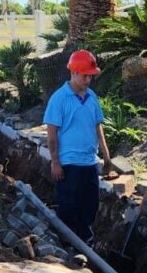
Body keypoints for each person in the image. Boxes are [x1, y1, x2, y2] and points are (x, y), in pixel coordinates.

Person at [43, 50, 113, 244]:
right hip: (69, 164)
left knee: (89, 205)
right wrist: (55, 162)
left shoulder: (91, 97)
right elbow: (52, 135)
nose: (88, 80)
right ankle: (65, 245)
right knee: (68, 206)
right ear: (73, 72)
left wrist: (106, 159)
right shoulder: (59, 99)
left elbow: (98, 127)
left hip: (89, 162)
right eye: (85, 76)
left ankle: (85, 242)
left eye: (90, 76)